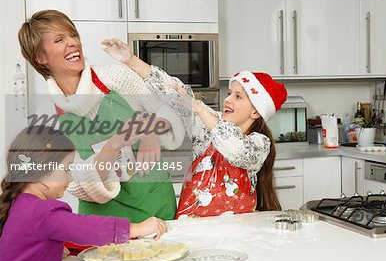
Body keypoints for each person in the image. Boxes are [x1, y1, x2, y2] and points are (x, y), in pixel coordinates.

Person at [18, 10, 186, 221]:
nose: (73, 43)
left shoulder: (116, 76)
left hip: (157, 206)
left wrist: (149, 128)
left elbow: (166, 111)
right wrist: (114, 145)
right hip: (103, 222)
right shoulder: (47, 118)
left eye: (73, 35)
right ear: (40, 57)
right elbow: (76, 183)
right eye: (60, 39)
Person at [102, 39, 287, 217]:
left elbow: (237, 150)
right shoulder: (207, 125)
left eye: (238, 97)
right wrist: (130, 59)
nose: (228, 99)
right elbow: (172, 89)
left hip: (237, 226)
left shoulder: (260, 142)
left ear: (255, 111)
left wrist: (197, 106)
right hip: (193, 223)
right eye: (230, 93)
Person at [0, 126, 168, 261]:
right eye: (66, 169)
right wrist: (137, 228)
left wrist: (51, 247)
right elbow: (86, 228)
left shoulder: (20, 204)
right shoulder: (42, 212)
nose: (71, 177)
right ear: (41, 172)